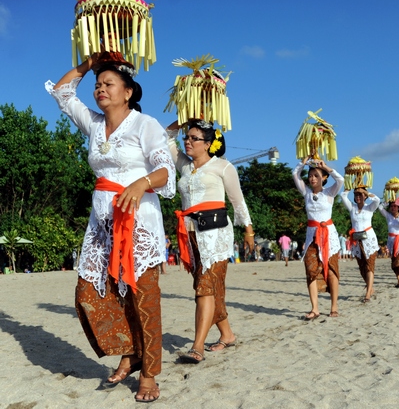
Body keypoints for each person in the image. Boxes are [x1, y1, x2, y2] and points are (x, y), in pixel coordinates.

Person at [45, 52, 176, 403]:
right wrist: (90, 64)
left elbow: (166, 171)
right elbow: (61, 93)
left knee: (143, 298)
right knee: (90, 293)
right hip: (101, 225)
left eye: (108, 83)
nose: (100, 89)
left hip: (139, 222)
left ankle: (148, 373)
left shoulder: (145, 124)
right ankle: (130, 350)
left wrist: (141, 183)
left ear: (128, 91)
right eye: (98, 84)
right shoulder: (93, 123)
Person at [167, 119, 254, 363]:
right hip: (191, 235)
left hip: (216, 236)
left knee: (204, 288)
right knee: (210, 288)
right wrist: (183, 120)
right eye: (187, 136)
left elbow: (238, 202)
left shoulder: (223, 167)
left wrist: (249, 231)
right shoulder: (184, 166)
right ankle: (227, 334)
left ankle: (197, 347)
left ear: (208, 144)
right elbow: (167, 139)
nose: (188, 141)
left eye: (194, 138)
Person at [292, 155, 344, 319]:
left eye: (316, 175)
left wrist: (326, 167)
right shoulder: (306, 192)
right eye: (311, 175)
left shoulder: (330, 193)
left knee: (332, 271)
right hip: (311, 236)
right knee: (310, 271)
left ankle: (334, 306)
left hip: (329, 236)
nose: (312, 178)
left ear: (324, 177)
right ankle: (315, 308)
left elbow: (341, 180)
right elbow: (295, 174)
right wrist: (303, 163)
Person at [340, 186, 380, 303]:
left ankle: (367, 294)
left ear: (365, 196)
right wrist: (348, 188)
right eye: (356, 195)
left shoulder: (370, 208)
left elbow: (377, 200)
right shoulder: (352, 208)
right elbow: (343, 196)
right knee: (362, 267)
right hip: (357, 241)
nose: (358, 197)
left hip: (369, 240)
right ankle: (370, 287)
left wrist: (366, 192)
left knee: (370, 265)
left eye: (360, 195)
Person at [378, 198, 399, 287]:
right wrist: (386, 202)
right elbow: (379, 208)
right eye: (391, 206)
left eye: (395, 206)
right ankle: (398, 280)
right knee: (394, 261)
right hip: (391, 241)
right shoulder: (388, 216)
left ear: (398, 207)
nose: (393, 208)